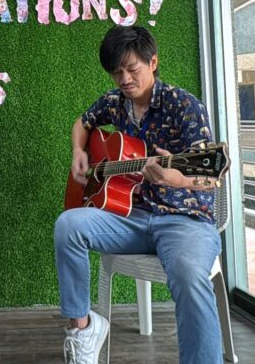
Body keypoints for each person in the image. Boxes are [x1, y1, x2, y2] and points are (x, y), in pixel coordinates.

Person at [54, 25, 222, 364]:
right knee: (68, 225)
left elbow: (210, 177)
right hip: (129, 217)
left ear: (153, 62)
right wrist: (79, 152)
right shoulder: (115, 103)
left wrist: (175, 178)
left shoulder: (184, 106)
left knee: (189, 276)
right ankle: (83, 330)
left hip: (183, 220)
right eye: (117, 72)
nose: (125, 79)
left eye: (132, 69)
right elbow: (82, 122)